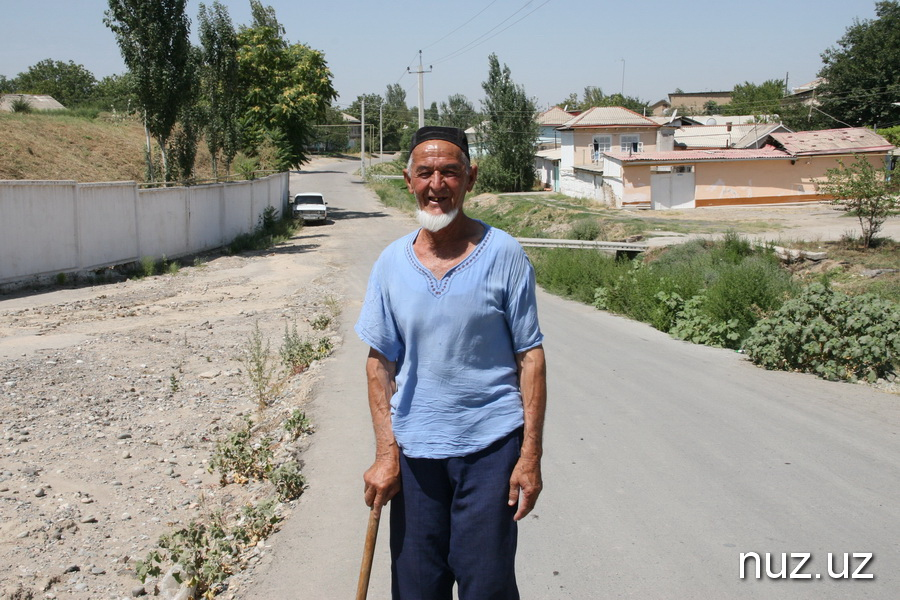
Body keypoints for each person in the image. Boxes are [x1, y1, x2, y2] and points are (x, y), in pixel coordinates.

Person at [355, 125, 547, 599]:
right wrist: (386, 455)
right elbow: (379, 364)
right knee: (417, 587)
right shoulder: (390, 264)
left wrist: (530, 456)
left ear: (470, 178)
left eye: (449, 172)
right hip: (416, 453)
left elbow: (531, 358)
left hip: (490, 449)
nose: (436, 185)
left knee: (487, 585)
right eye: (425, 173)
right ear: (408, 179)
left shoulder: (503, 253)